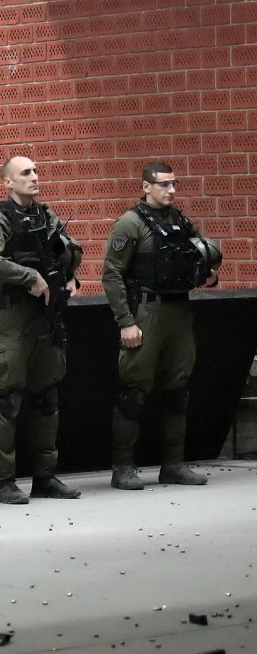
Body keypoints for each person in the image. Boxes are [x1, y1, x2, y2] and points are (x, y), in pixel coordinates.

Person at [102, 161, 221, 489]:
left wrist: (208, 275)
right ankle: (122, 468)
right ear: (146, 187)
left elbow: (198, 258)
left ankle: (174, 464)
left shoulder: (180, 221)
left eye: (173, 184)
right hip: (146, 311)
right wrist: (126, 321)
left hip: (178, 311)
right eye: (164, 184)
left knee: (177, 389)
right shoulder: (130, 223)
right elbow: (111, 274)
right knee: (133, 391)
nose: (171, 190)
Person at [0, 156, 84, 504]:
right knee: (8, 399)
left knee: (46, 397)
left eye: (36, 171)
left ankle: (45, 477)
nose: (34, 177)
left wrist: (70, 277)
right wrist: (29, 277)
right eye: (25, 172)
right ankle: (3, 483)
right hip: (13, 318)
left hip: (45, 316)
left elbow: (69, 250)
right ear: (8, 182)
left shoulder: (45, 215)